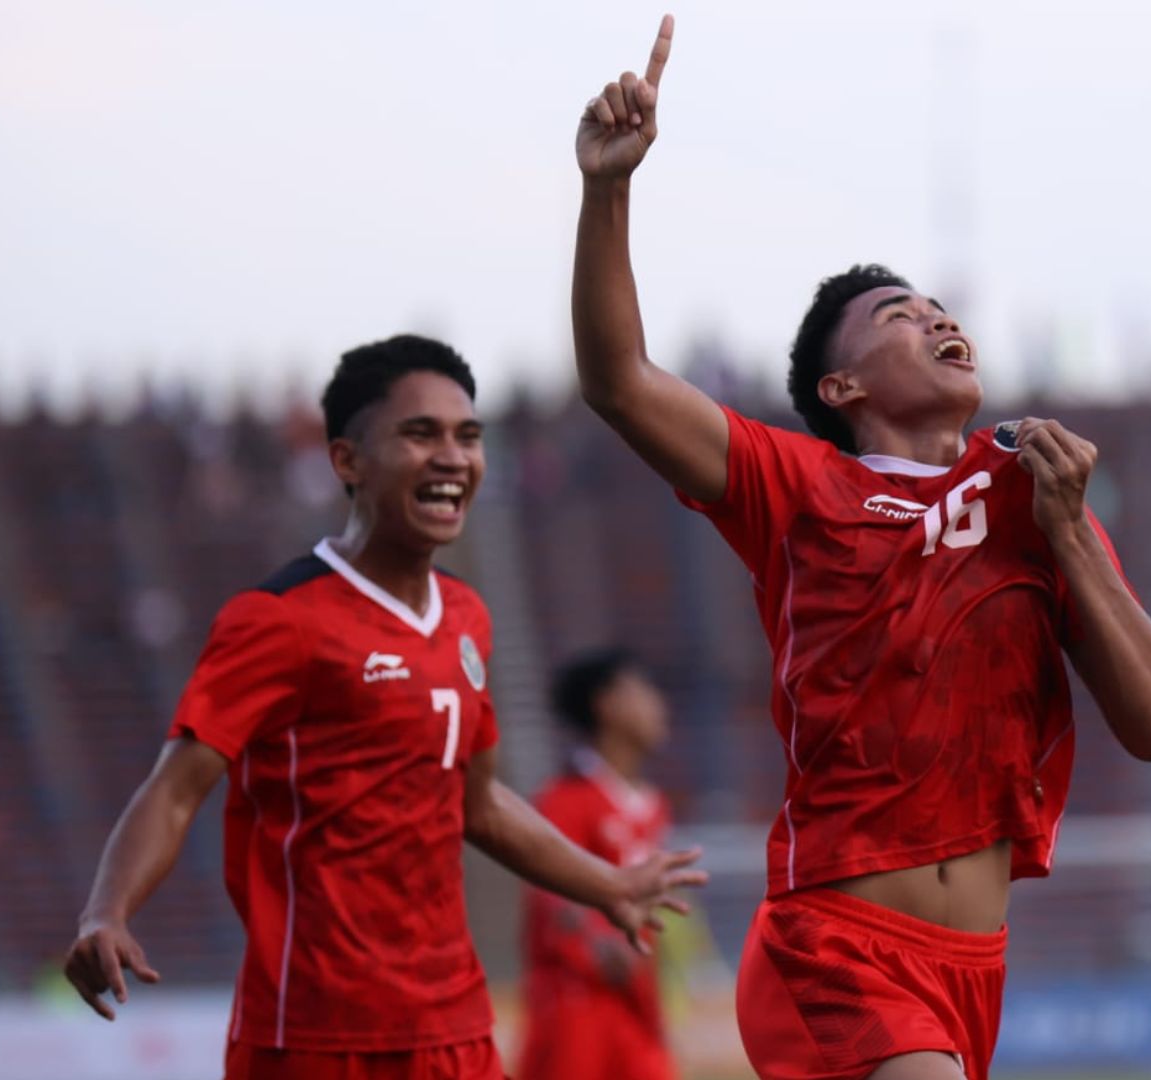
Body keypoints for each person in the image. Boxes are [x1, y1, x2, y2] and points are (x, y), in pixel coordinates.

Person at [569, 18, 1151, 1080]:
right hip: (835, 947)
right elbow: (620, 380)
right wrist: (608, 190)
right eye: (901, 315)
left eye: (942, 308)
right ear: (841, 389)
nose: (939, 318)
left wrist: (1069, 538)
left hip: (972, 967)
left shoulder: (1037, 495)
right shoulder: (799, 484)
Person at [62, 335, 706, 1080]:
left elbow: (480, 801)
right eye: (419, 433)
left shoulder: (467, 619)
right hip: (317, 1036)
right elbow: (175, 791)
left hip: (455, 1029)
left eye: (468, 437)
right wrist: (105, 911)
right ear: (347, 461)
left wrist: (610, 884)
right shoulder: (278, 619)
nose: (452, 457)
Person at [517, 648, 677, 1080]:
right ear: (607, 704)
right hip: (579, 1010)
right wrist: (599, 944)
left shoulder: (652, 805)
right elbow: (551, 899)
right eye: (643, 689)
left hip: (637, 1007)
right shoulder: (565, 801)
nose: (658, 703)